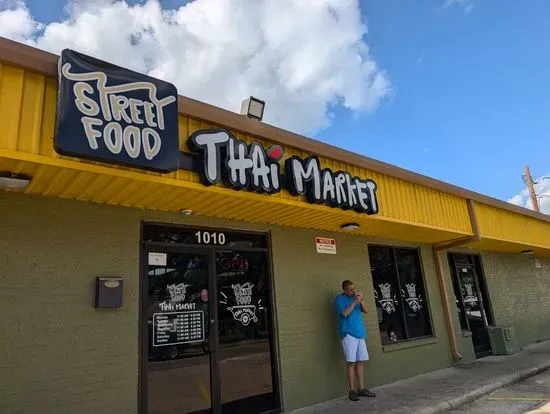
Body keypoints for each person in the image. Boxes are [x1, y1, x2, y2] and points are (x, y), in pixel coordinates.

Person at [335, 279, 376, 401]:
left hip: (359, 333)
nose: (353, 291)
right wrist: (354, 302)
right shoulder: (339, 299)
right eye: (350, 289)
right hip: (348, 333)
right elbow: (344, 313)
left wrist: (361, 300)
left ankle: (361, 388)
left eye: (354, 288)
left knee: (360, 361)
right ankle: (352, 390)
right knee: (351, 362)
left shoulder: (356, 298)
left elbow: (366, 310)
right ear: (345, 290)